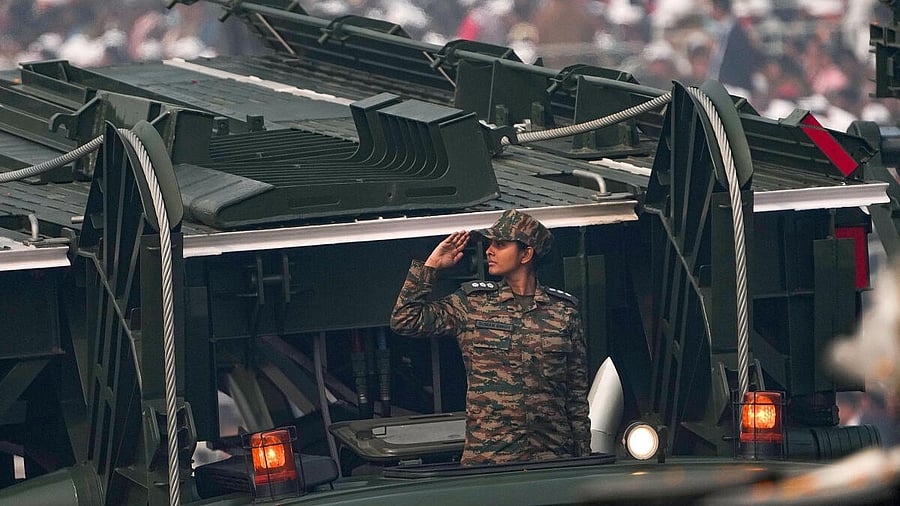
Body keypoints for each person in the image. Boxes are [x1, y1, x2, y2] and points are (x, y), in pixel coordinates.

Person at [390, 209, 591, 465]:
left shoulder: (564, 312)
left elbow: (575, 396)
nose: (488, 251)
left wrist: (583, 460)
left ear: (526, 254)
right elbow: (405, 320)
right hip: (490, 459)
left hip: (551, 458)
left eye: (500, 244)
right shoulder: (472, 305)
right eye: (489, 244)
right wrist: (431, 267)